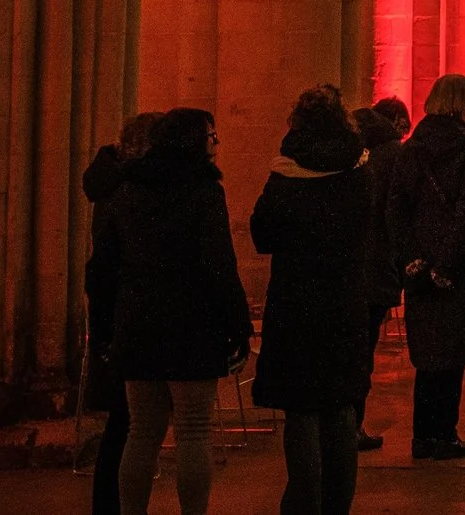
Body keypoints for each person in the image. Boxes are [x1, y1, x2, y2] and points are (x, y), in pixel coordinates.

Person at [110, 108, 249, 515]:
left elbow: (107, 262)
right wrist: (238, 325)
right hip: (192, 324)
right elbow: (219, 264)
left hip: (139, 322)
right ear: (192, 140)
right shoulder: (204, 191)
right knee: (192, 431)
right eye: (211, 134)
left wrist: (107, 325)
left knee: (142, 432)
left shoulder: (129, 188)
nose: (215, 143)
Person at [250, 87, 374, 515]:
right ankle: (337, 504)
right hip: (344, 301)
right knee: (340, 408)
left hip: (297, 302)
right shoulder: (358, 172)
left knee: (301, 410)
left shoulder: (287, 172)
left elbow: (262, 234)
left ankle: (304, 504)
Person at [388, 74, 465, 460]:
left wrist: (414, 258)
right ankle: (444, 433)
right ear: (464, 104)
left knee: (427, 352)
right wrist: (448, 262)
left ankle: (423, 435)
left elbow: (397, 210)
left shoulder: (412, 147)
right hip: (452, 266)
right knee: (452, 351)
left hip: (421, 264)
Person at [83, 113, 158, 515]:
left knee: (127, 424)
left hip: (116, 317)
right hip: (122, 319)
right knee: (126, 424)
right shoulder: (125, 190)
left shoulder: (113, 183)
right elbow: (108, 265)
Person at [352, 102, 409, 449]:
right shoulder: (392, 152)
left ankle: (341, 426)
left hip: (341, 268)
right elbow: (398, 209)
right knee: (362, 351)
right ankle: (352, 425)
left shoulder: (349, 151)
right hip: (375, 265)